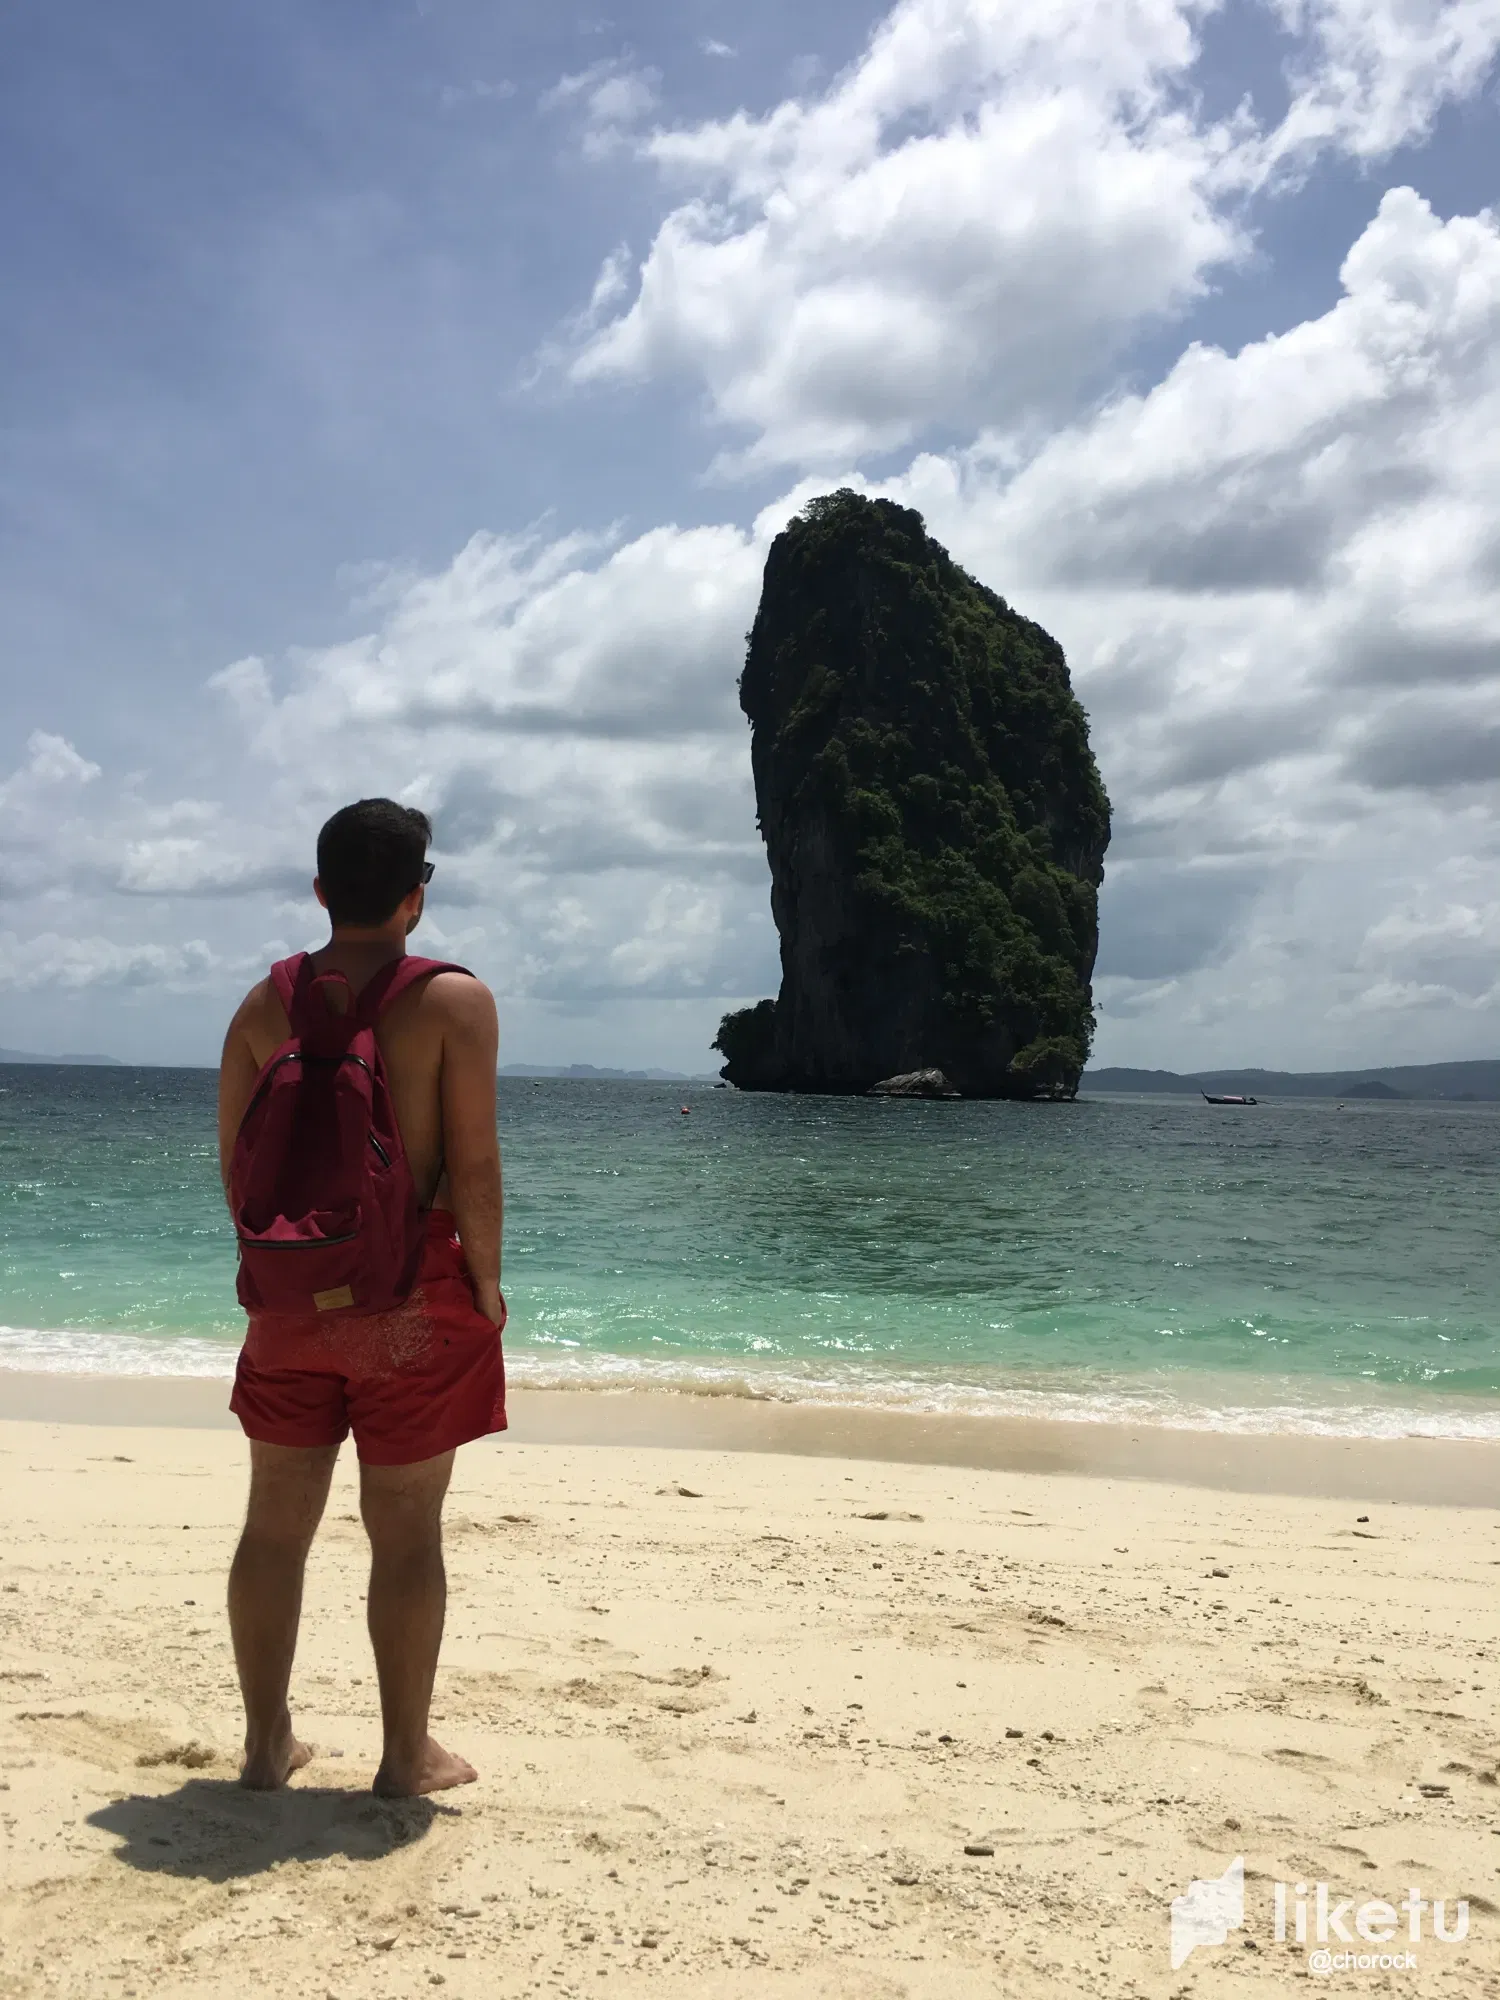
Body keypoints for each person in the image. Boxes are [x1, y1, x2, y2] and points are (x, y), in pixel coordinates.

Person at [217, 798, 504, 1796]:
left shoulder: (262, 1005)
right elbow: (472, 1164)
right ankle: (405, 1755)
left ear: (320, 891)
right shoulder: (452, 1001)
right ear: (416, 896)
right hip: (412, 1303)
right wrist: (487, 1284)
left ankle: (266, 1745)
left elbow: (236, 1169)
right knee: (407, 1530)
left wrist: (286, 1275)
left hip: (288, 1304)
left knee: (273, 1524)